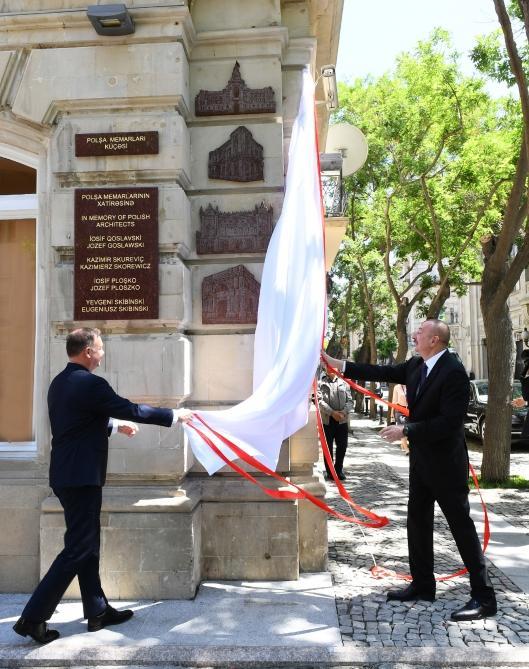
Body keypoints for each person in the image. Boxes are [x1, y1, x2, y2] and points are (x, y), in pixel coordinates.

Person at [13, 328, 194, 644]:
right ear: (86, 352)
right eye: (100, 348)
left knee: (86, 543)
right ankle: (33, 617)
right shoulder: (91, 384)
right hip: (82, 477)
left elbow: (78, 419)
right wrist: (175, 415)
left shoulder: (60, 383)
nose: (103, 353)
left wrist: (112, 426)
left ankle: (97, 610)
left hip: (67, 475)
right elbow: (132, 409)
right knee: (78, 547)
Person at [322, 319, 497, 622]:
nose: (414, 335)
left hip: (446, 465)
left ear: (435, 340)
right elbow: (381, 372)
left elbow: (450, 423)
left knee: (461, 528)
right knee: (417, 523)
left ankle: (484, 598)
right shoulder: (417, 364)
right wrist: (338, 364)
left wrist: (406, 430)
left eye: (421, 333)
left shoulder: (453, 371)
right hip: (421, 463)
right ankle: (423, 585)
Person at [318, 367, 353, 480]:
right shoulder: (321, 382)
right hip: (327, 420)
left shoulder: (344, 382)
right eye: (328, 366)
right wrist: (332, 413)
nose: (331, 368)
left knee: (342, 446)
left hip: (342, 420)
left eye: (333, 366)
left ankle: (338, 470)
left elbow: (350, 401)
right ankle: (330, 472)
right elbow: (319, 401)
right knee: (328, 448)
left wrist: (343, 413)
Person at [392, 383, 409, 455]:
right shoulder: (397, 387)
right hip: (400, 410)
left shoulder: (411, 385)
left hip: (409, 410)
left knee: (410, 429)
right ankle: (406, 449)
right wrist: (392, 416)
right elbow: (394, 401)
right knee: (403, 430)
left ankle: (403, 445)